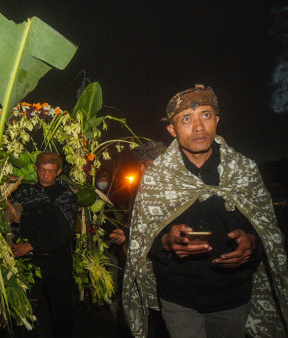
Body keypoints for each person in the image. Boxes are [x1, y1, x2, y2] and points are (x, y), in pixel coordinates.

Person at [122, 84, 288, 337]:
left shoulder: (244, 170)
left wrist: (253, 243)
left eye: (206, 115)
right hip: (179, 298)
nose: (198, 127)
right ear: (172, 130)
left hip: (233, 296)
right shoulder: (157, 177)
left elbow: (268, 232)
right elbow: (142, 240)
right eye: (186, 119)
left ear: (217, 120)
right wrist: (167, 242)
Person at [10, 152, 78, 337]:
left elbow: (65, 233)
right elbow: (15, 223)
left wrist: (32, 246)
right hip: (29, 264)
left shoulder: (65, 195)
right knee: (27, 311)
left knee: (61, 313)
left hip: (57, 263)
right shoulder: (24, 192)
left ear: (59, 172)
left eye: (51, 171)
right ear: (35, 169)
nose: (46, 175)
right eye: (42, 170)